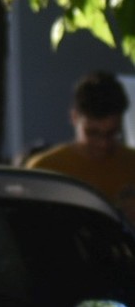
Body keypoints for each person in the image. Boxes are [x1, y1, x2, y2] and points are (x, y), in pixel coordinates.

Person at [26, 70, 135, 222]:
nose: (103, 144)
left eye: (111, 133)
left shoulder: (131, 163)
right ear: (74, 117)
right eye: (92, 133)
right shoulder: (46, 169)